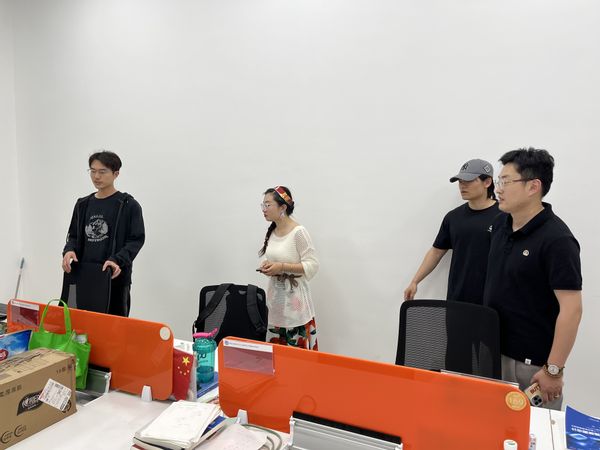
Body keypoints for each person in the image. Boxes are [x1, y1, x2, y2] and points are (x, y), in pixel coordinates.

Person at [484, 148, 582, 410]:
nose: (497, 189)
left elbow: (572, 309)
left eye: (506, 181)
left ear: (533, 187)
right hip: (493, 353)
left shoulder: (558, 240)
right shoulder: (500, 225)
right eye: (498, 181)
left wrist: (553, 370)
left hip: (531, 368)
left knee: (532, 431)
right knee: (493, 426)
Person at [62, 151, 145, 317]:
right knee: (80, 325)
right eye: (92, 171)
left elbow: (136, 240)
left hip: (113, 278)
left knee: (113, 327)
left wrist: (117, 260)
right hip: (83, 275)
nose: (96, 176)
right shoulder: (82, 204)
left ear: (116, 174)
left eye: (102, 171)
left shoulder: (128, 205)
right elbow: (73, 235)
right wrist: (69, 250)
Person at [404, 159, 499, 304]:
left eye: (468, 181)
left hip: (492, 300)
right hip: (457, 298)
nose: (462, 186)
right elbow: (436, 252)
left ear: (487, 182)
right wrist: (415, 281)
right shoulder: (453, 217)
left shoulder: (505, 216)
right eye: (460, 181)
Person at [258, 186, 319, 350]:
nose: (264, 209)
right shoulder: (273, 231)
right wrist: (268, 265)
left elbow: (312, 264)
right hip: (275, 303)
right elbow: (275, 257)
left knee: (296, 357)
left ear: (283, 207)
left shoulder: (299, 232)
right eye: (262, 205)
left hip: (295, 305)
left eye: (268, 205)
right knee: (275, 355)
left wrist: (282, 267)